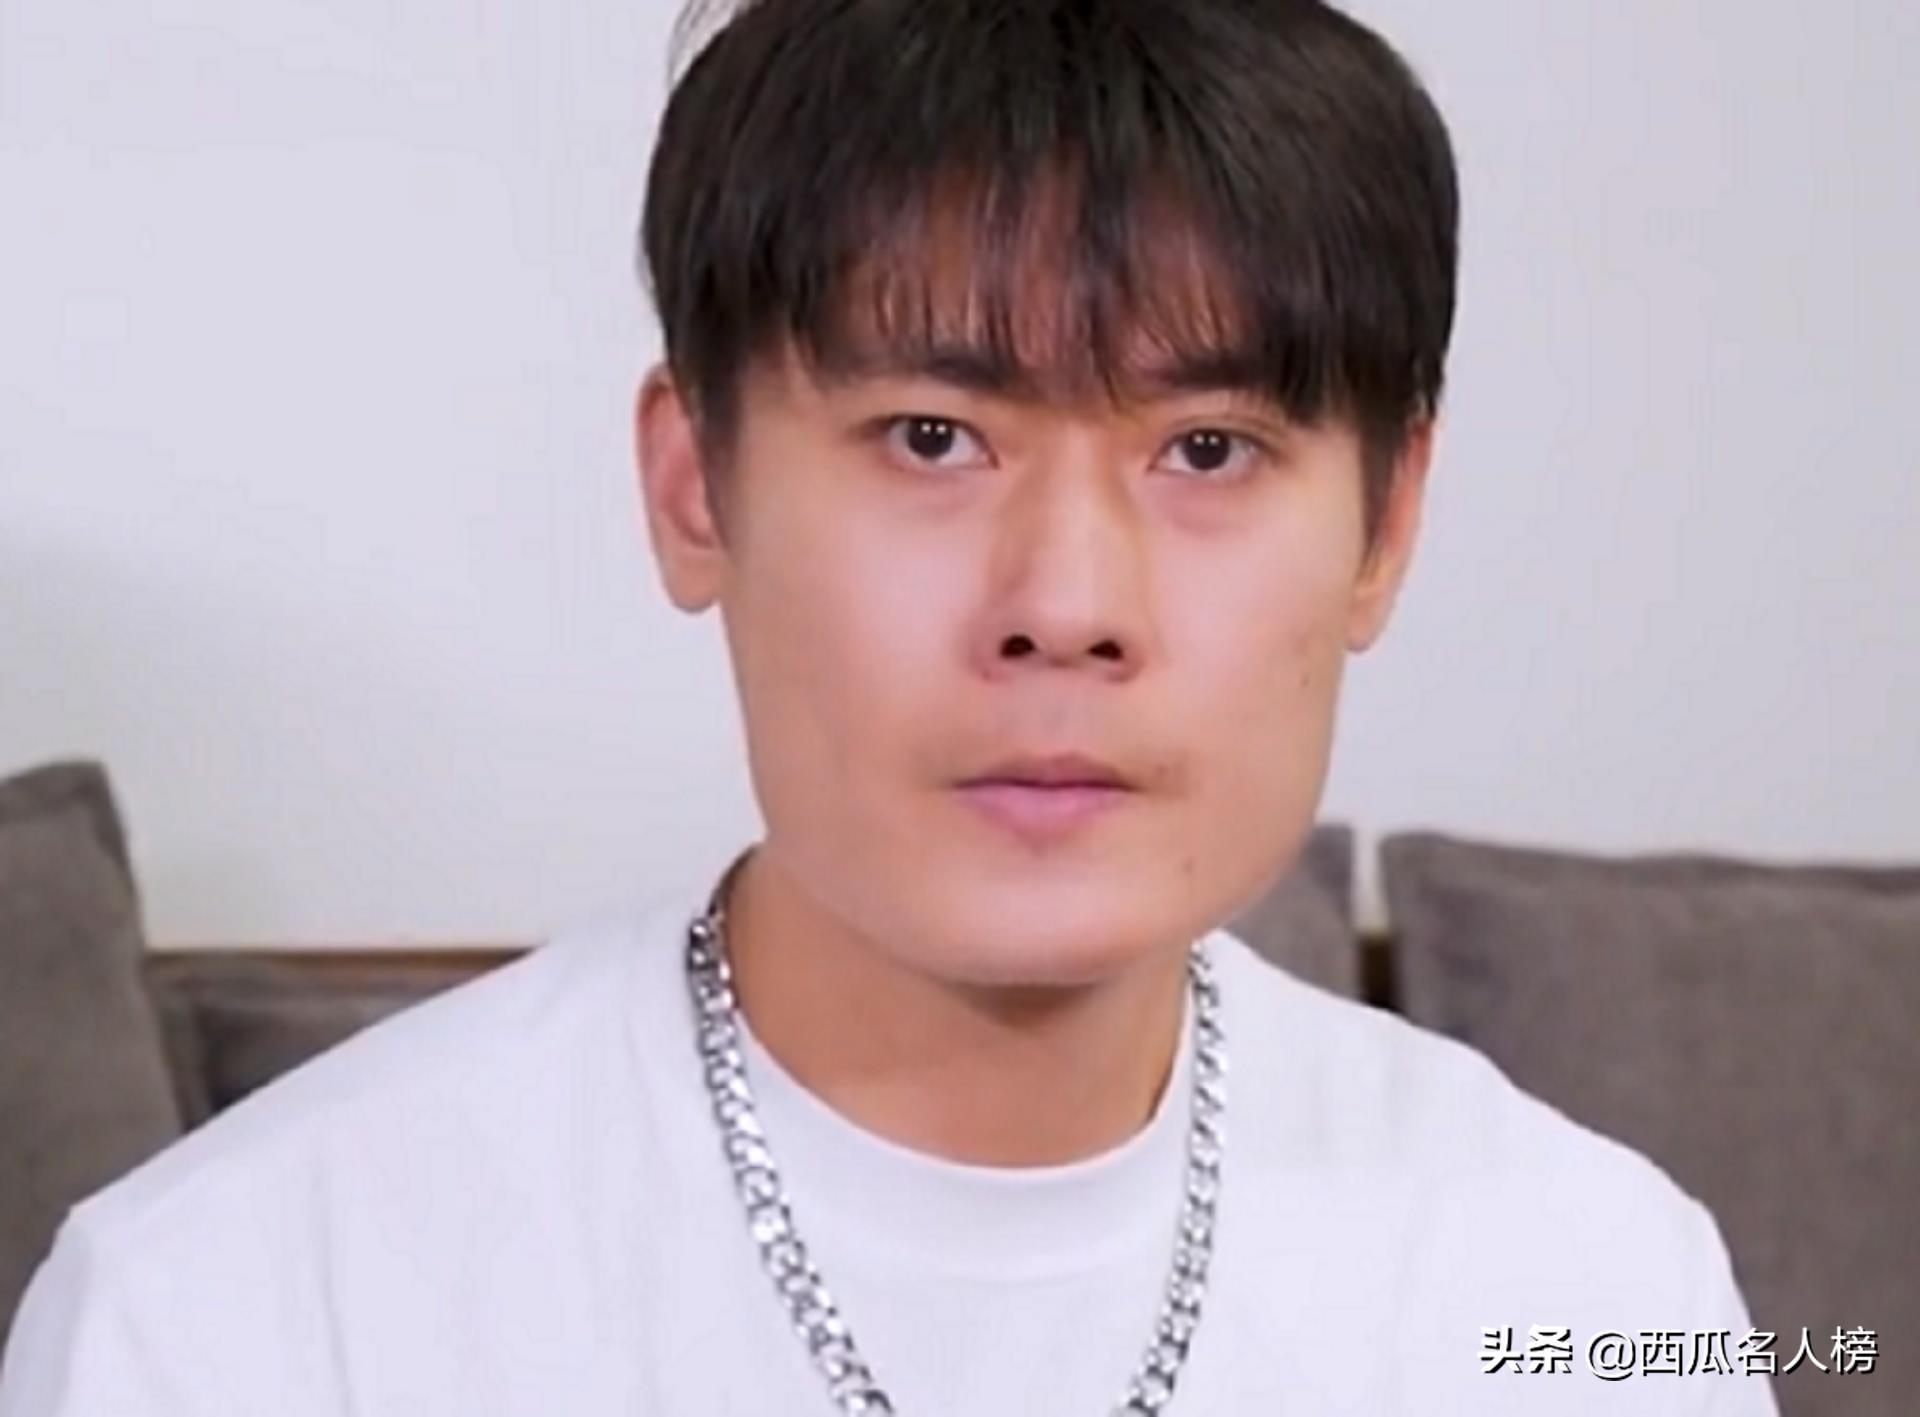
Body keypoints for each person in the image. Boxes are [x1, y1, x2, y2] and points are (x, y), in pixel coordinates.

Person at [0, 1, 1778, 1413]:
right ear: (696, 487)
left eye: (1207, 450)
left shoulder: (1596, 1294)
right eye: (934, 437)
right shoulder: (234, 1309)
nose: (1066, 605)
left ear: (1385, 527)